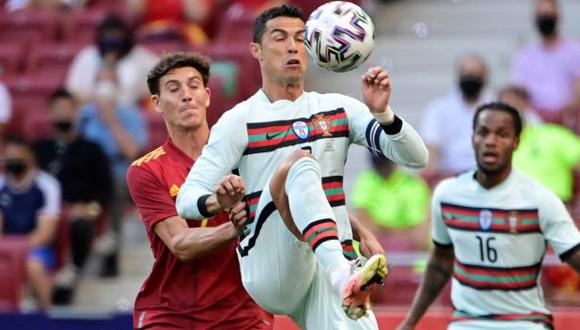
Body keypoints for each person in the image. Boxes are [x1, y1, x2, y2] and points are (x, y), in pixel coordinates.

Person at [176, 5, 428, 329]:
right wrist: (217, 202)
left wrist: (384, 114)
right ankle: (343, 274)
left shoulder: (339, 108)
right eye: (280, 38)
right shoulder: (239, 120)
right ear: (256, 51)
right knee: (299, 163)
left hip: (323, 258)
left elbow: (416, 157)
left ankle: (343, 275)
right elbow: (186, 199)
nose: (293, 46)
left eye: (300, 38)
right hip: (270, 264)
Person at [398, 102, 580, 330]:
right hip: (467, 323)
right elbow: (440, 261)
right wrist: (409, 323)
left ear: (516, 142)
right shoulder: (447, 195)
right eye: (483, 132)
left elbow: (575, 254)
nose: (491, 141)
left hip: (523, 323)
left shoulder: (540, 200)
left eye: (502, 134)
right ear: (473, 138)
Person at [126, 52, 273, 329]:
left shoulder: (248, 157)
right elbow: (181, 245)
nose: (186, 95)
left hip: (242, 314)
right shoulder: (146, 170)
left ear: (206, 95)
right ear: (156, 103)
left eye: (193, 86)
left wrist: (356, 233)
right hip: (170, 315)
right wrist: (235, 227)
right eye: (174, 88)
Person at [33, 88, 114, 305]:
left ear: (77, 113)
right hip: (44, 216)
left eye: (68, 110)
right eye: (57, 110)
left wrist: (90, 210)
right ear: (50, 114)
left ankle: (70, 277)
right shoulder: (38, 149)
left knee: (81, 226)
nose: (63, 115)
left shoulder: (92, 150)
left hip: (80, 213)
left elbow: (105, 194)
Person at [78, 65, 148, 277]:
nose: (105, 87)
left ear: (117, 86)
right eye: (101, 82)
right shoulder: (84, 114)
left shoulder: (129, 114)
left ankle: (111, 249)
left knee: (113, 189)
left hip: (118, 173)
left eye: (110, 82)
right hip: (86, 174)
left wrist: (111, 121)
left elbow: (132, 150)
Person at [0, 135, 61, 310]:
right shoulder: (1, 185)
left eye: (18, 157)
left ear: (30, 157)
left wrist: (18, 250)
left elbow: (46, 233)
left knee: (33, 266)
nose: (13, 161)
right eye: (9, 158)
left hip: (36, 248)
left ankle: (47, 315)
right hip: (6, 248)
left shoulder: (46, 186)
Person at [498, 85, 580, 206]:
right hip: (511, 210)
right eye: (503, 107)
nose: (509, 112)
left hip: (554, 208)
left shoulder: (553, 135)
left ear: (526, 105)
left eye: (514, 104)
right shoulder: (494, 145)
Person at [420, 54, 490, 184]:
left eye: (475, 75)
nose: (471, 79)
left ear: (485, 78)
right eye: (467, 74)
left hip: (488, 176)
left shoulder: (496, 109)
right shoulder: (438, 109)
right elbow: (432, 148)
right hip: (450, 178)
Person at [510, 0, 580, 124]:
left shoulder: (575, 51)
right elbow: (518, 93)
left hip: (569, 119)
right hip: (535, 121)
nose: (545, 19)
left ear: (558, 17)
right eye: (541, 16)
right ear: (534, 19)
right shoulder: (525, 56)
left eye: (548, 15)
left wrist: (566, 112)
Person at [66, 14, 158, 107]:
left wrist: (120, 84)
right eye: (109, 34)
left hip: (130, 110)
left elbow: (159, 82)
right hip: (92, 111)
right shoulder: (87, 56)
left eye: (117, 35)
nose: (112, 39)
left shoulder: (140, 56)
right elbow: (72, 90)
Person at [352, 154, 431, 251]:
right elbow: (362, 225)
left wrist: (382, 229)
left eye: (385, 163)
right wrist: (399, 231)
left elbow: (418, 238)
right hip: (372, 256)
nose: (382, 168)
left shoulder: (414, 185)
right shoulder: (366, 179)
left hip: (407, 257)